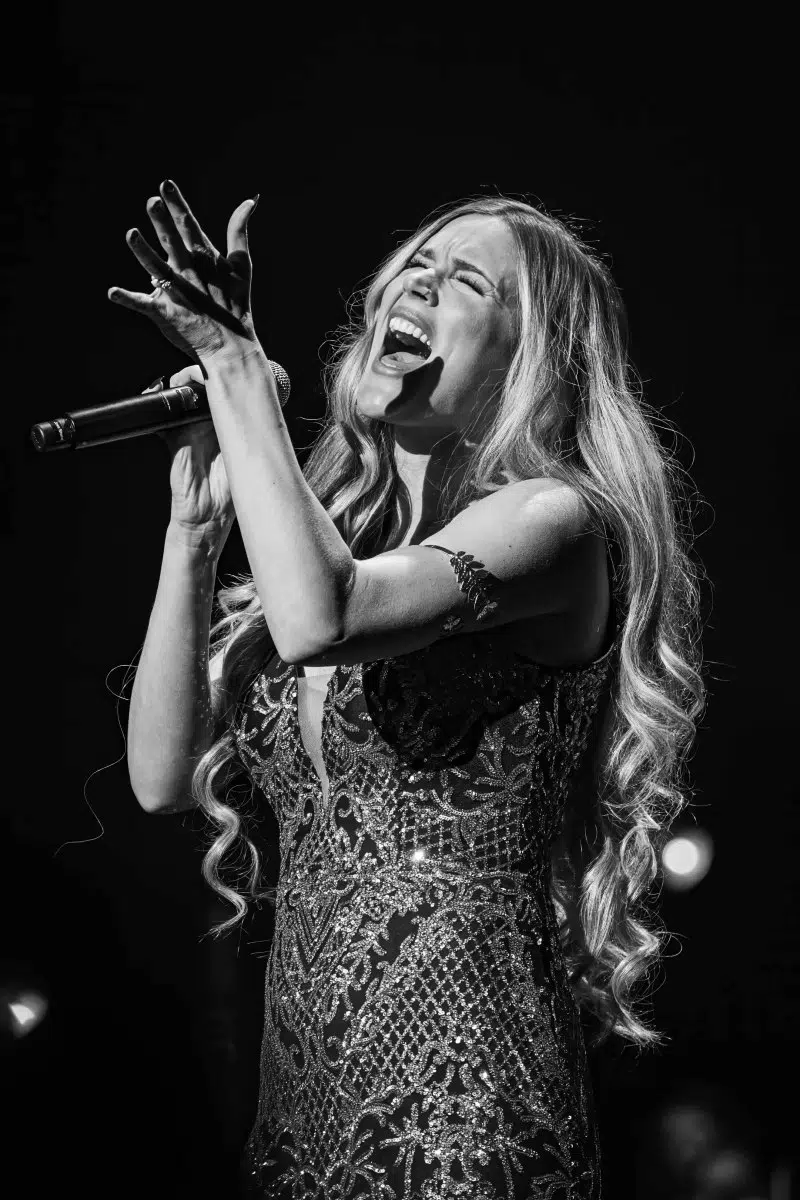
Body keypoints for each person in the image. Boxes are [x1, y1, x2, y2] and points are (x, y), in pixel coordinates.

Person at [116, 181, 707, 1199]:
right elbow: (162, 776)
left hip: (462, 1101)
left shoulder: (553, 522)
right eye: (413, 272)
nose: (421, 288)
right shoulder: (345, 555)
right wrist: (193, 531)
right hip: (302, 1106)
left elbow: (322, 622)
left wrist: (233, 372)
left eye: (464, 281)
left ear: (532, 362)